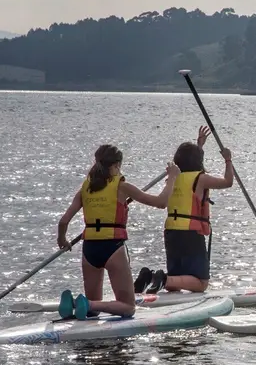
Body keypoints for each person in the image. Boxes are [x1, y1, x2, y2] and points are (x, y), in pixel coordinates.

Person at [57, 145, 179, 319]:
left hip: (89, 248)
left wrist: (63, 240)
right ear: (115, 166)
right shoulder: (122, 187)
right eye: (119, 166)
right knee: (128, 307)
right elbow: (161, 202)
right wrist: (172, 178)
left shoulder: (86, 188)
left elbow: (63, 221)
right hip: (112, 247)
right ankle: (83, 303)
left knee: (93, 311)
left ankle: (78, 304)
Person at [133, 126, 234, 294]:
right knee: (201, 283)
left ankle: (151, 278)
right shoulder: (201, 179)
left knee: (178, 279)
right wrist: (228, 160)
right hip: (190, 233)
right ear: (198, 160)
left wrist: (199, 146)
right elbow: (227, 182)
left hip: (172, 231)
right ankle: (163, 279)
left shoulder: (173, 177)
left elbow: (192, 166)